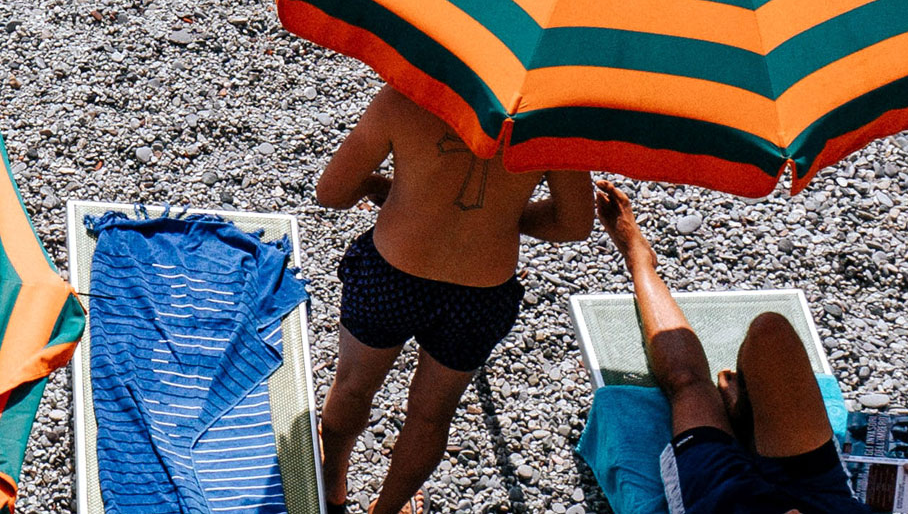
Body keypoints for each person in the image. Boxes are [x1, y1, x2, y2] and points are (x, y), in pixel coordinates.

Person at [312, 84, 595, 514]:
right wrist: (504, 217)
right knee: (430, 416)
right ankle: (387, 509)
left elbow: (330, 192)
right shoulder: (554, 128)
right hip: (478, 296)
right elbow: (573, 224)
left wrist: (381, 185)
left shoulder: (405, 100)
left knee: (352, 387)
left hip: (391, 275)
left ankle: (333, 485)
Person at [595, 180, 873, 514]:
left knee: (688, 383)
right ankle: (745, 414)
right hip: (823, 501)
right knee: (770, 331)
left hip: (726, 501)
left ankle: (639, 259)